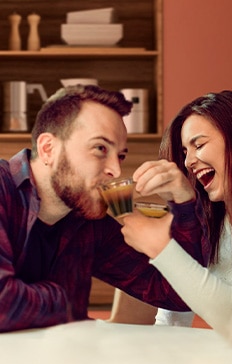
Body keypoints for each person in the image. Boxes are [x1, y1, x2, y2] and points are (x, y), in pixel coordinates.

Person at [0, 84, 210, 333]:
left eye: (120, 155)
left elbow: (179, 295)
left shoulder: (89, 224)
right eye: (100, 148)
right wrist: (67, 300)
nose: (116, 170)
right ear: (48, 149)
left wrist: (185, 205)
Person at [121, 90, 232, 346]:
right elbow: (171, 323)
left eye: (198, 145)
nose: (189, 162)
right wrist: (184, 213)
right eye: (185, 152)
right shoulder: (207, 226)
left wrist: (163, 249)